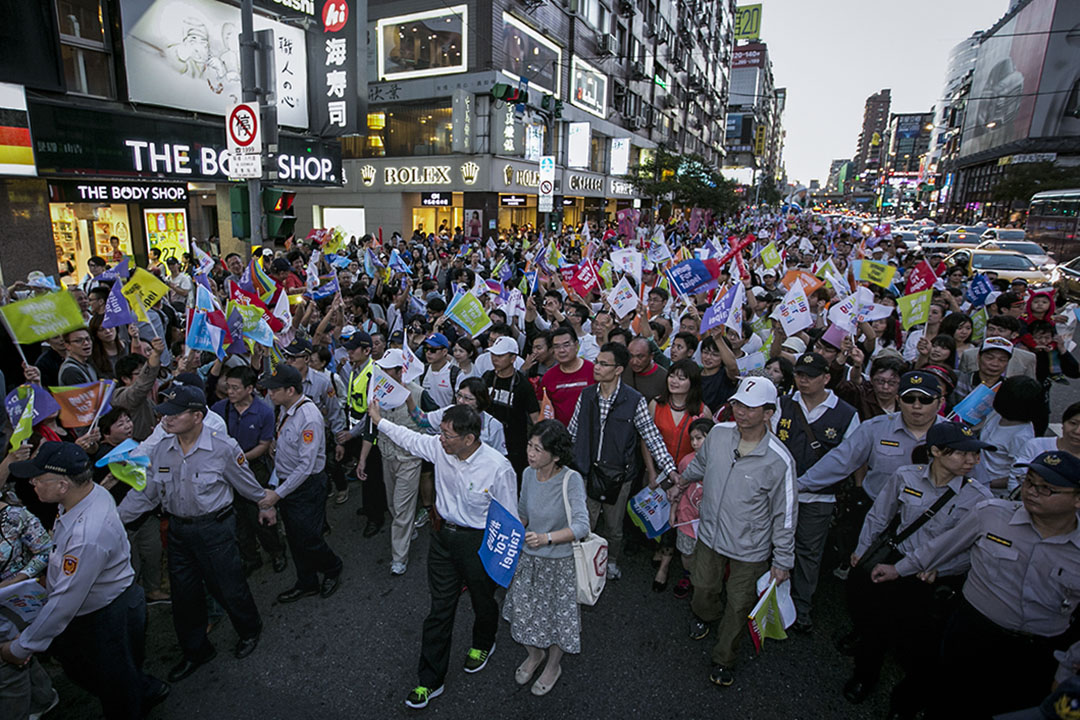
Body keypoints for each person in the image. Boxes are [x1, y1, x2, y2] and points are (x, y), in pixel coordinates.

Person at [872, 451, 1080, 719]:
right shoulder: (992, 515)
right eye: (1029, 482)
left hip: (1038, 650)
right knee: (947, 696)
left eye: (1046, 489)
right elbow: (942, 546)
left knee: (1004, 707)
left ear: (1077, 498)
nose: (1032, 492)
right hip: (974, 632)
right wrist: (898, 569)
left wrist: (1068, 665)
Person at [1, 442, 169, 718]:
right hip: (106, 608)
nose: (32, 483)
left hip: (104, 618)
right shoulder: (89, 495)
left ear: (63, 485)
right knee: (118, 674)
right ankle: (145, 691)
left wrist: (20, 647)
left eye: (38, 479)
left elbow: (65, 603)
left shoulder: (86, 536)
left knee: (115, 689)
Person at [367, 401, 517, 710]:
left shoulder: (498, 467)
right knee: (440, 609)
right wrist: (379, 421)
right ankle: (429, 680)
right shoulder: (439, 448)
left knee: (483, 599)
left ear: (469, 439)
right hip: (443, 540)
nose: (440, 439)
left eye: (447, 434)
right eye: (441, 433)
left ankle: (483, 642)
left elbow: (509, 517)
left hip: (479, 543)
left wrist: (505, 562)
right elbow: (409, 438)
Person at [117, 386, 273, 682]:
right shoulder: (163, 449)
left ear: (197, 416)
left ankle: (250, 630)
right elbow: (148, 494)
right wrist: (115, 520)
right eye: (164, 412)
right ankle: (196, 650)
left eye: (175, 413)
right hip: (179, 532)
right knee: (185, 596)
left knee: (228, 585)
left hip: (215, 528)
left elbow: (246, 484)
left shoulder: (223, 448)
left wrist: (265, 503)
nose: (166, 418)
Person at [843, 423, 995, 716]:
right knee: (875, 626)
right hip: (892, 565)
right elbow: (879, 516)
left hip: (932, 579)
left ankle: (906, 703)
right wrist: (862, 551)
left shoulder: (980, 498)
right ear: (935, 452)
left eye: (975, 455)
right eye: (963, 454)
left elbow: (973, 549)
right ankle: (864, 677)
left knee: (921, 647)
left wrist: (943, 567)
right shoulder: (905, 476)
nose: (972, 461)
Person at [676, 376, 797, 687]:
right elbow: (700, 465)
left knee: (739, 604)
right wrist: (681, 482)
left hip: (750, 547)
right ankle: (705, 615)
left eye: (751, 407)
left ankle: (723, 658)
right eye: (738, 404)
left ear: (769, 413)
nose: (741, 412)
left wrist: (782, 561)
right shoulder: (718, 434)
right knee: (702, 587)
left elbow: (786, 515)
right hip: (710, 535)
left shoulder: (780, 459)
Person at [569, 342, 678, 581]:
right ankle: (581, 565)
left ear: (618, 369)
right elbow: (573, 432)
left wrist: (670, 470)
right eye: (596, 362)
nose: (596, 367)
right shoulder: (586, 395)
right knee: (584, 523)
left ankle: (611, 561)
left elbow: (651, 437)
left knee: (614, 527)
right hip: (587, 471)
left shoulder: (634, 400)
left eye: (603, 364)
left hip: (619, 476)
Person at [773, 353, 860, 634]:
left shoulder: (846, 414)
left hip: (818, 499)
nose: (803, 380)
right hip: (777, 495)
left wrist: (805, 483)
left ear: (827, 378)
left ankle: (802, 607)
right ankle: (770, 602)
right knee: (772, 547)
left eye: (810, 375)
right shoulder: (782, 403)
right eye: (799, 374)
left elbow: (847, 459)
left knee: (808, 553)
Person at [502, 420, 590, 696]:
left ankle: (553, 665)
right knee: (522, 613)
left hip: (559, 562)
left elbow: (581, 526)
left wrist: (546, 538)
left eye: (538, 449)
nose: (530, 453)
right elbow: (523, 512)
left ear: (556, 455)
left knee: (556, 620)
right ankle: (534, 655)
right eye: (530, 445)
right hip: (529, 559)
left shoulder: (570, 480)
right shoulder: (528, 473)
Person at [257, 365, 343, 603]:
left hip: (306, 487)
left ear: (291, 390)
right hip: (289, 484)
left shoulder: (309, 417)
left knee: (309, 537)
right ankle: (307, 581)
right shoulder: (285, 409)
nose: (270, 394)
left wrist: (277, 494)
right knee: (295, 538)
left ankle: (333, 567)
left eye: (274, 390)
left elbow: (306, 466)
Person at [210, 365, 285, 575]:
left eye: (235, 388)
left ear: (250, 388)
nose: (230, 392)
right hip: (226, 472)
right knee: (238, 519)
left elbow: (264, 444)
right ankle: (250, 557)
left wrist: (240, 459)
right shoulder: (219, 409)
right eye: (229, 387)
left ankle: (276, 551)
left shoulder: (264, 412)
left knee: (261, 514)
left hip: (254, 469)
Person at [0, 447, 57, 720]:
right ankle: (45, 698)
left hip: (16, 604)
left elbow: (45, 551)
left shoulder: (14, 517)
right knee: (20, 657)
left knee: (9, 673)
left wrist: (17, 578)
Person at [647, 359, 713, 591]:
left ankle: (664, 566)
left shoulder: (702, 411)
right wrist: (652, 471)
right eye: (672, 375)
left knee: (680, 516)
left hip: (689, 475)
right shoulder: (656, 404)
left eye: (682, 377)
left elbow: (709, 448)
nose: (674, 381)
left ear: (692, 383)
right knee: (661, 515)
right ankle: (664, 552)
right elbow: (646, 441)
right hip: (660, 472)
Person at [358, 349, 425, 576]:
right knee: (393, 505)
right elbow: (371, 428)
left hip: (409, 460)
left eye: (388, 369)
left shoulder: (418, 393)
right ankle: (407, 529)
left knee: (403, 508)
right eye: (382, 368)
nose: (383, 373)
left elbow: (431, 424)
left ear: (400, 371)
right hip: (387, 456)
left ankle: (399, 557)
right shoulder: (376, 392)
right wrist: (363, 459)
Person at [482, 336, 539, 479]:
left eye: (500, 355)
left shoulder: (523, 384)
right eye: (493, 354)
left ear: (513, 358)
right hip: (487, 441)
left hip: (514, 446)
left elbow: (535, 416)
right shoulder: (487, 377)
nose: (495, 359)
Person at [539, 326, 594, 427]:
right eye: (556, 346)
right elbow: (543, 407)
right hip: (562, 436)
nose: (562, 350)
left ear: (576, 345)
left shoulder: (593, 370)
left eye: (566, 345)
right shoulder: (548, 377)